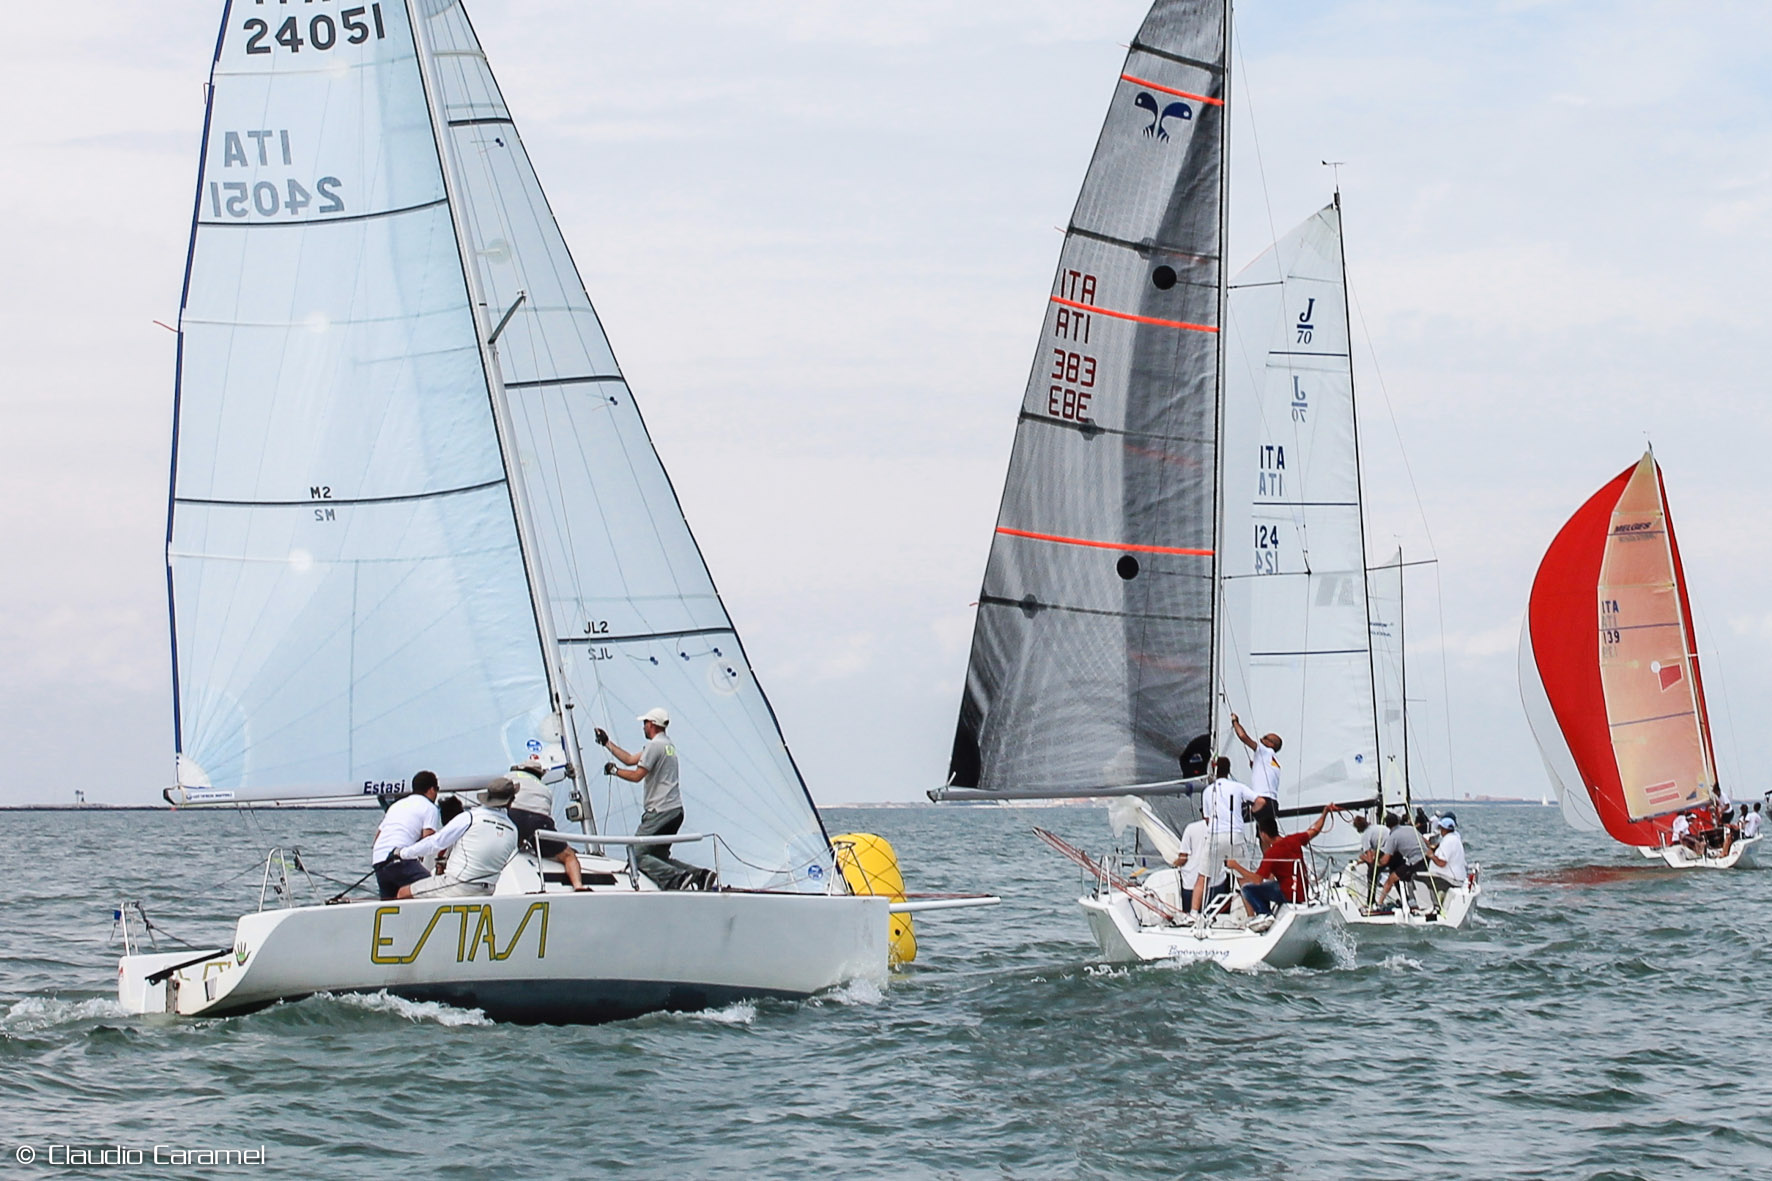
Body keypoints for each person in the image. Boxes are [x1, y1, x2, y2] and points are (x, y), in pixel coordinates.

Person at [597, 708, 715, 891]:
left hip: (660, 811)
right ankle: (700, 875)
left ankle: (676, 878)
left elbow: (637, 775)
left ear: (652, 724)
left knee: (636, 854)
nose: (643, 727)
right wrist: (607, 743)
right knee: (658, 858)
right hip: (675, 811)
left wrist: (614, 771)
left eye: (645, 723)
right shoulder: (667, 745)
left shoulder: (654, 746)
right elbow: (629, 759)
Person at [393, 780, 520, 898]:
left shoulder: (470, 817)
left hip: (457, 884)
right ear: (511, 800)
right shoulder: (513, 830)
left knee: (403, 893)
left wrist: (403, 853)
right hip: (487, 890)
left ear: (488, 796)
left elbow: (435, 843)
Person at [1234, 803, 1341, 924]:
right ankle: (1269, 914)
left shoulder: (1271, 853)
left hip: (1288, 893)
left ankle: (1265, 915)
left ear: (1263, 834)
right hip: (1302, 891)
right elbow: (1315, 830)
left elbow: (1257, 880)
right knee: (1268, 885)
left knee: (1247, 889)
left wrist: (1235, 866)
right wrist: (1325, 813)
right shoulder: (1294, 839)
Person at [505, 757, 586, 890]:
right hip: (539, 821)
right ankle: (578, 885)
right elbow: (546, 813)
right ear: (540, 774)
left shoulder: (509, 777)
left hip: (513, 816)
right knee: (569, 856)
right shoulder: (545, 789)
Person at [1193, 756, 1256, 915]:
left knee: (1203, 877)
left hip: (1215, 836)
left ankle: (1193, 914)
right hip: (1235, 836)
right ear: (1228, 770)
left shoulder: (1208, 791)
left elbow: (1207, 818)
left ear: (1214, 770)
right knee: (1243, 879)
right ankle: (1252, 916)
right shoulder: (1238, 787)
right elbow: (1258, 800)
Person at [370, 771, 441, 900]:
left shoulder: (396, 806)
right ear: (431, 789)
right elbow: (428, 841)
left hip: (378, 859)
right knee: (432, 888)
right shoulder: (430, 808)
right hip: (399, 859)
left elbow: (377, 837)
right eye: (437, 789)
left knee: (390, 904)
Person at [1229, 712, 1282, 841]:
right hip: (1273, 803)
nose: (1261, 738)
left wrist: (1235, 722)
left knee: (1232, 812)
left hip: (1261, 800)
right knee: (1266, 835)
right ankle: (1276, 853)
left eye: (1265, 737)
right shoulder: (1274, 761)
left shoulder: (1264, 751)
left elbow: (1243, 736)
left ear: (1271, 744)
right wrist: (1255, 767)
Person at [1371, 812, 1429, 913]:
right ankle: (1410, 900)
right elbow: (1427, 842)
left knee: (1391, 879)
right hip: (1427, 859)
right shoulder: (1411, 828)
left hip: (1415, 861)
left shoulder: (1392, 837)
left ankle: (1379, 904)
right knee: (1403, 874)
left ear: (1387, 825)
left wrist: (1376, 863)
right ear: (1398, 821)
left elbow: (1385, 860)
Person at [1171, 817, 1229, 914]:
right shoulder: (1225, 829)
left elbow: (1183, 858)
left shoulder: (1191, 828)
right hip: (1216, 881)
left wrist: (1173, 864)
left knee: (1191, 916)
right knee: (1215, 917)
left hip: (1191, 881)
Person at [1423, 815, 1467, 906]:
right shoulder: (1454, 838)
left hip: (1450, 879)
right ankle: (1437, 901)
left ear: (1444, 829)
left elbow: (1441, 863)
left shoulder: (1448, 841)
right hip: (1455, 877)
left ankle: (1431, 905)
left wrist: (1431, 855)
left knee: (1417, 879)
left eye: (1441, 828)